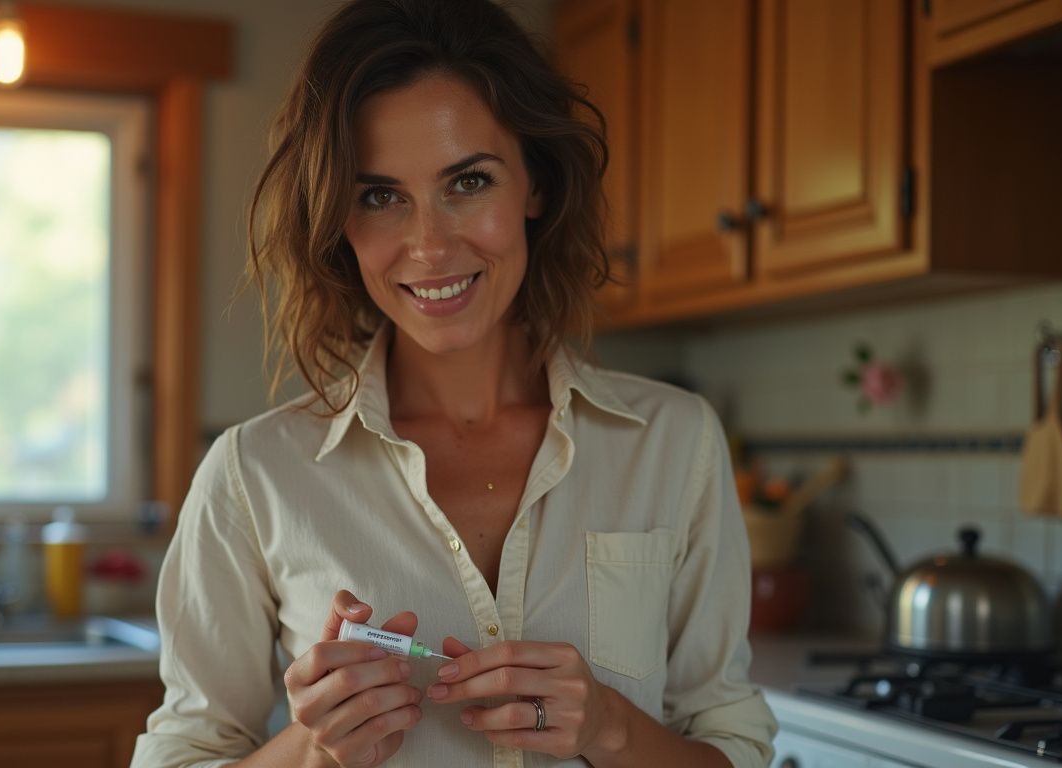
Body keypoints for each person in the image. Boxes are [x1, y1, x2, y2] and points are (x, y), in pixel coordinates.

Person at [131, 0, 777, 765]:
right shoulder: (253, 475)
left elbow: (732, 745)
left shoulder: (675, 443)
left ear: (533, 185)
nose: (430, 245)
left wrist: (611, 727)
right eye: (379, 196)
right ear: (339, 219)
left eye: (467, 181)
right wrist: (311, 749)